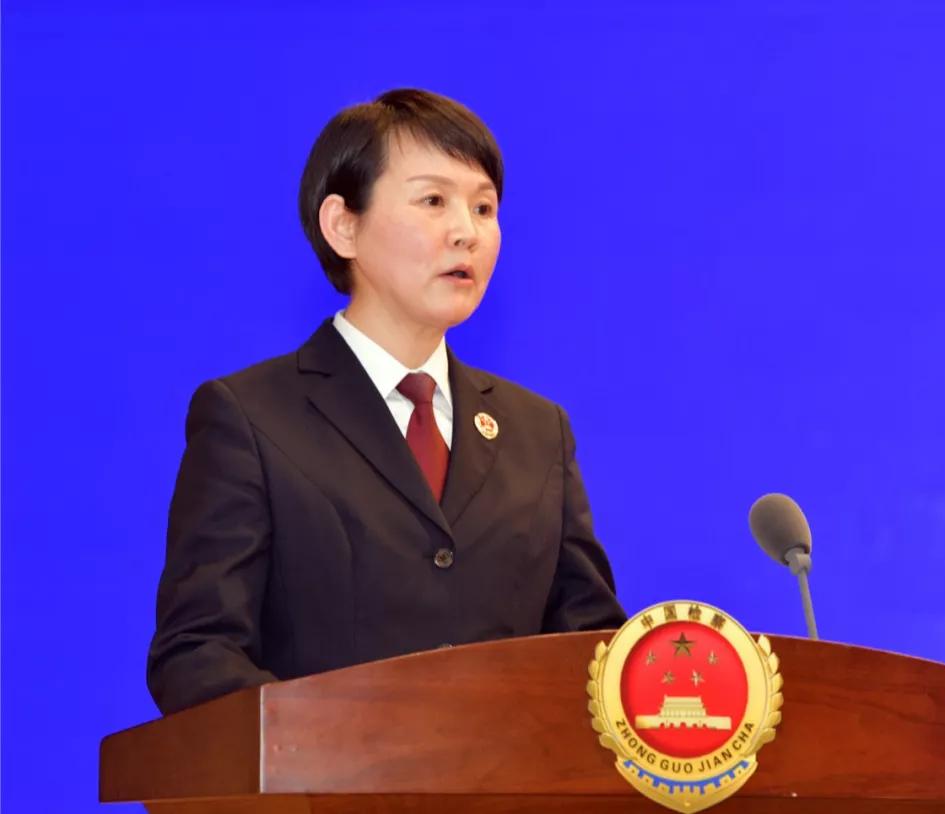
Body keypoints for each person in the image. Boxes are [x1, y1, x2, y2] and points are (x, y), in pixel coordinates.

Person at [147, 88, 626, 715]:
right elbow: (197, 654)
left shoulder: (538, 432)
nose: (467, 232)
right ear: (343, 226)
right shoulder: (251, 419)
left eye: (484, 208)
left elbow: (593, 653)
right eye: (433, 201)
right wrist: (344, 744)